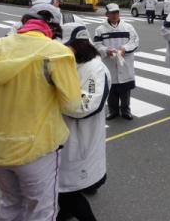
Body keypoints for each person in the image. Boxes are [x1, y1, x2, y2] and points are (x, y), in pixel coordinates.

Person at [0, 8, 81, 221]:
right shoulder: (56, 52)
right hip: (37, 148)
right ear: (51, 29)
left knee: (10, 203)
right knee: (42, 211)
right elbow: (72, 105)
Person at [57, 23, 111, 221]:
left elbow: (86, 106)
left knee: (67, 189)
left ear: (77, 45)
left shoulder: (95, 69)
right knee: (63, 187)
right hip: (65, 137)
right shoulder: (74, 63)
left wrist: (54, 96)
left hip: (81, 137)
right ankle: (64, 213)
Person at [94, 3, 139, 121]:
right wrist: (106, 50)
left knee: (125, 90)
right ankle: (113, 110)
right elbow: (97, 45)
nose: (115, 15)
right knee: (111, 88)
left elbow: (134, 41)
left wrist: (125, 48)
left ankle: (125, 110)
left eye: (117, 12)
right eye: (112, 13)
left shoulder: (128, 27)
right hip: (109, 63)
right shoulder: (100, 30)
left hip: (125, 62)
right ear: (107, 14)